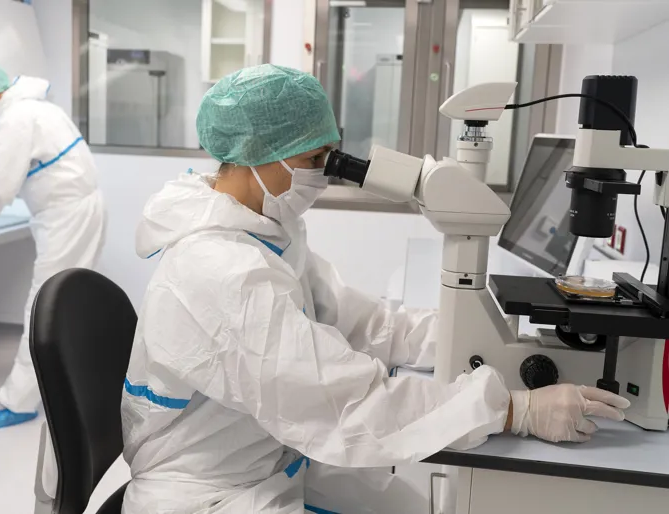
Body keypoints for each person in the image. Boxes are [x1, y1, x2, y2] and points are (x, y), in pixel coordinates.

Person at [121, 64, 629, 514]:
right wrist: (515, 410)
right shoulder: (219, 271)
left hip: (271, 458)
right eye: (317, 158)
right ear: (265, 155)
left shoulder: (266, 231)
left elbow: (363, 323)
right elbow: (344, 401)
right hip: (212, 493)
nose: (326, 174)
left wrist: (469, 335)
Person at [0, 62, 107, 430]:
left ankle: (16, 402)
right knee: (67, 302)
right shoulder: (37, 109)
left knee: (44, 306)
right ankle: (70, 384)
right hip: (78, 210)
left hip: (67, 215)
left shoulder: (17, 118)